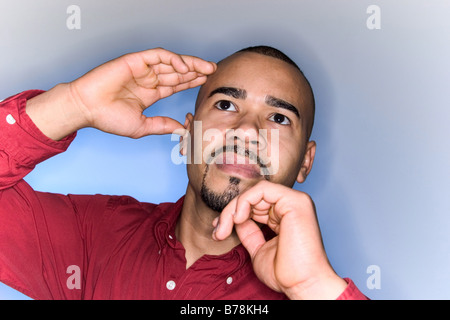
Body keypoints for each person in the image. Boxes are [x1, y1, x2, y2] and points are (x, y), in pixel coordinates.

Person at [0, 46, 367, 300]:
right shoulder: (93, 237)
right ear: (189, 134)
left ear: (306, 161)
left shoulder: (309, 287)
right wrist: (72, 104)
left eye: (278, 118)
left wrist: (313, 286)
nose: (247, 131)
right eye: (226, 104)